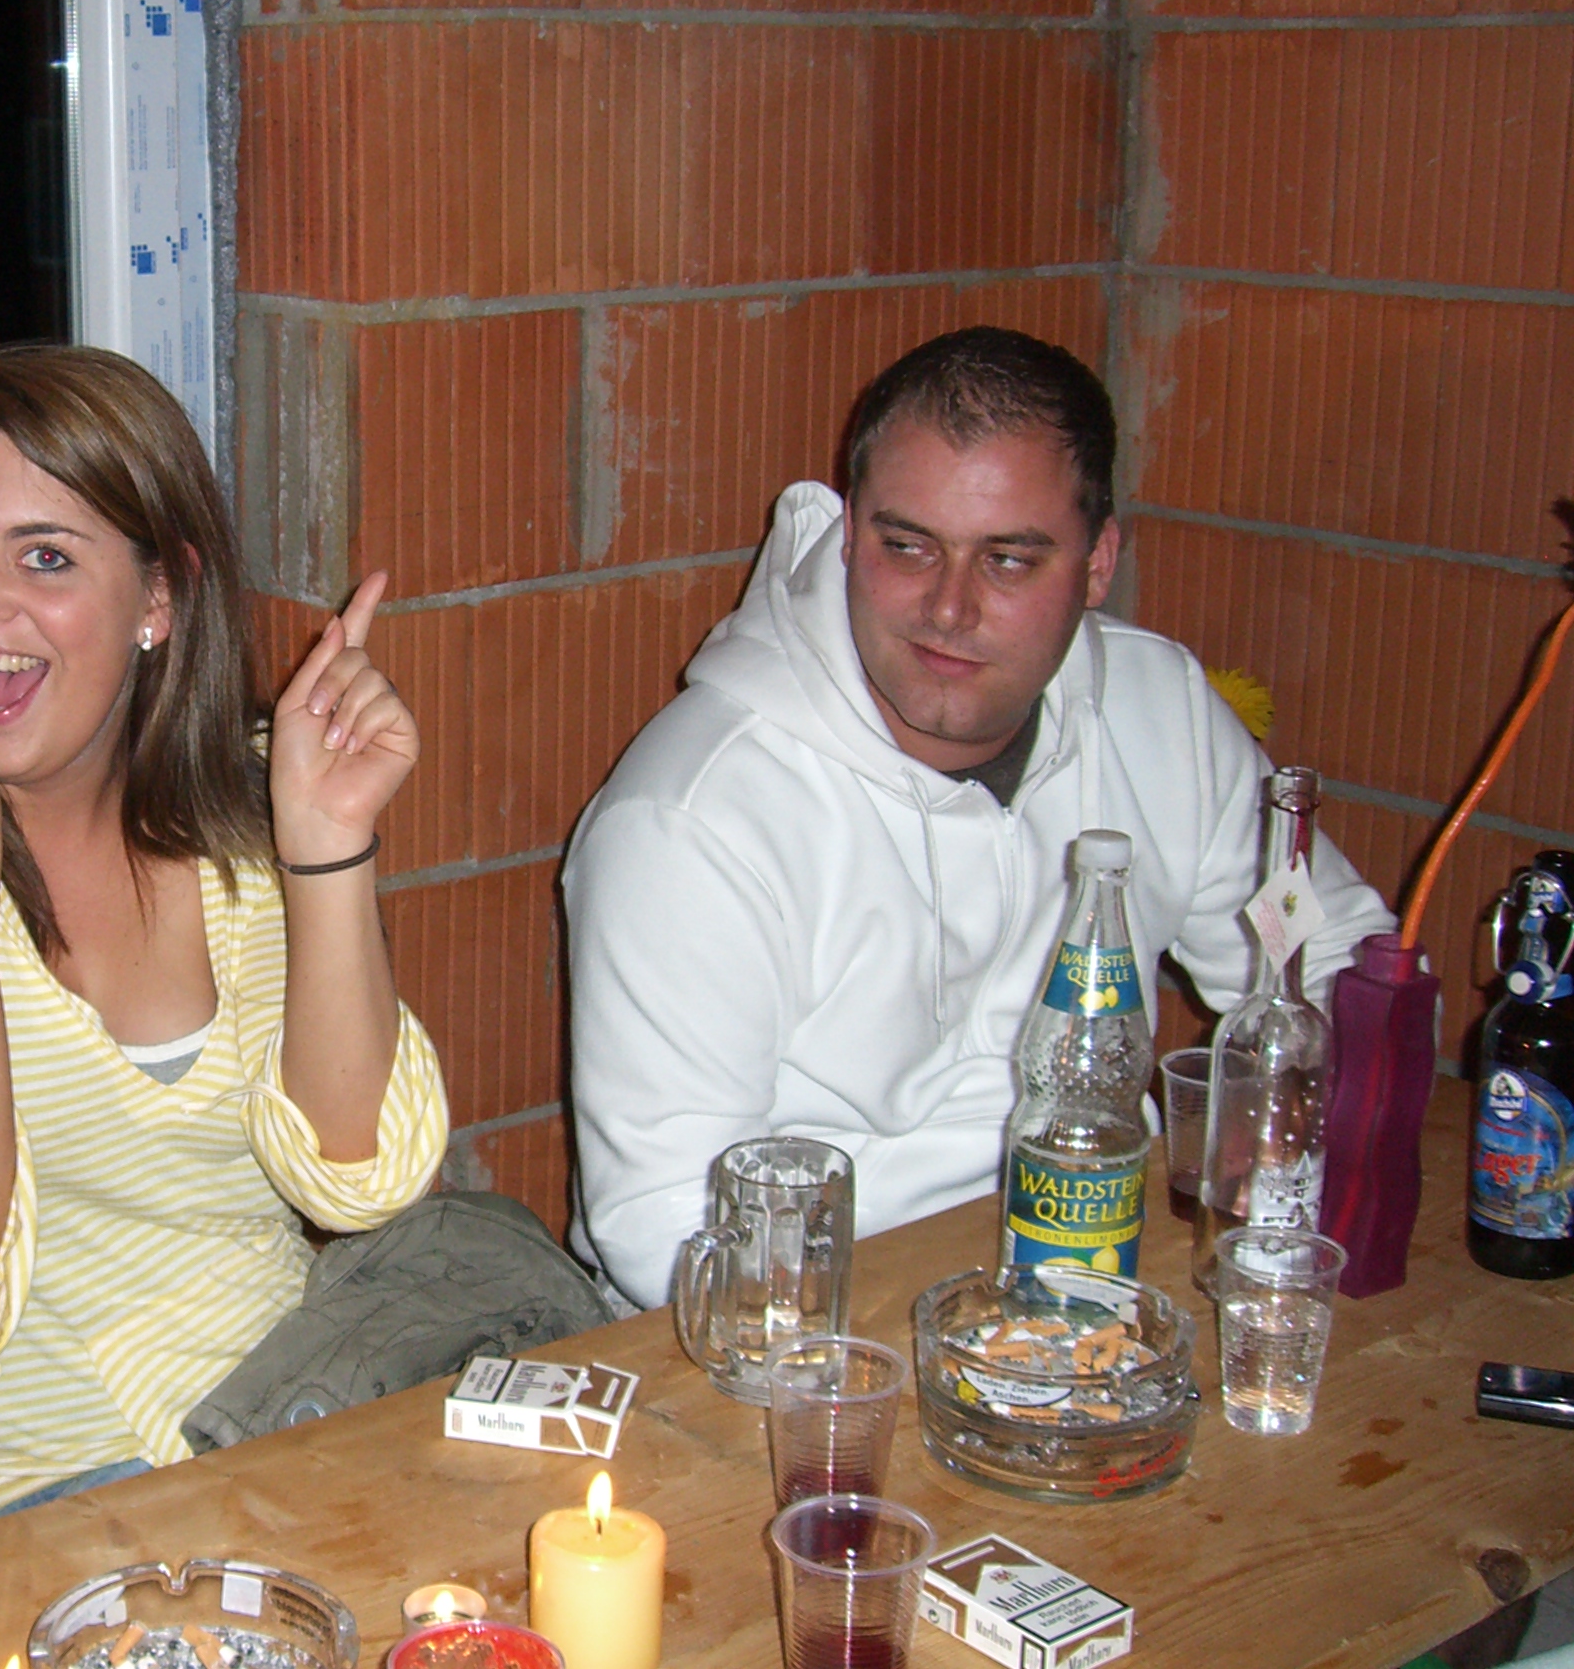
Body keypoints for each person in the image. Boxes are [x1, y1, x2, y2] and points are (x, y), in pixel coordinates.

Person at [563, 326, 1395, 1312]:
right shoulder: (691, 815)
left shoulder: (1160, 709)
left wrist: (1278, 1134)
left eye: (1007, 561)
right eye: (907, 547)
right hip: (809, 1331)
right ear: (849, 534)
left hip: (1110, 1275)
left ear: (1097, 564)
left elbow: (1336, 966)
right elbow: (661, 1225)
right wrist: (970, 1330)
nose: (947, 610)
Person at [0, 343, 450, 1540]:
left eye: (43, 557)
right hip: (21, 1516)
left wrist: (327, 846)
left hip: (285, 1450)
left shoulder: (254, 813)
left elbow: (363, 1182)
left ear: (159, 597)